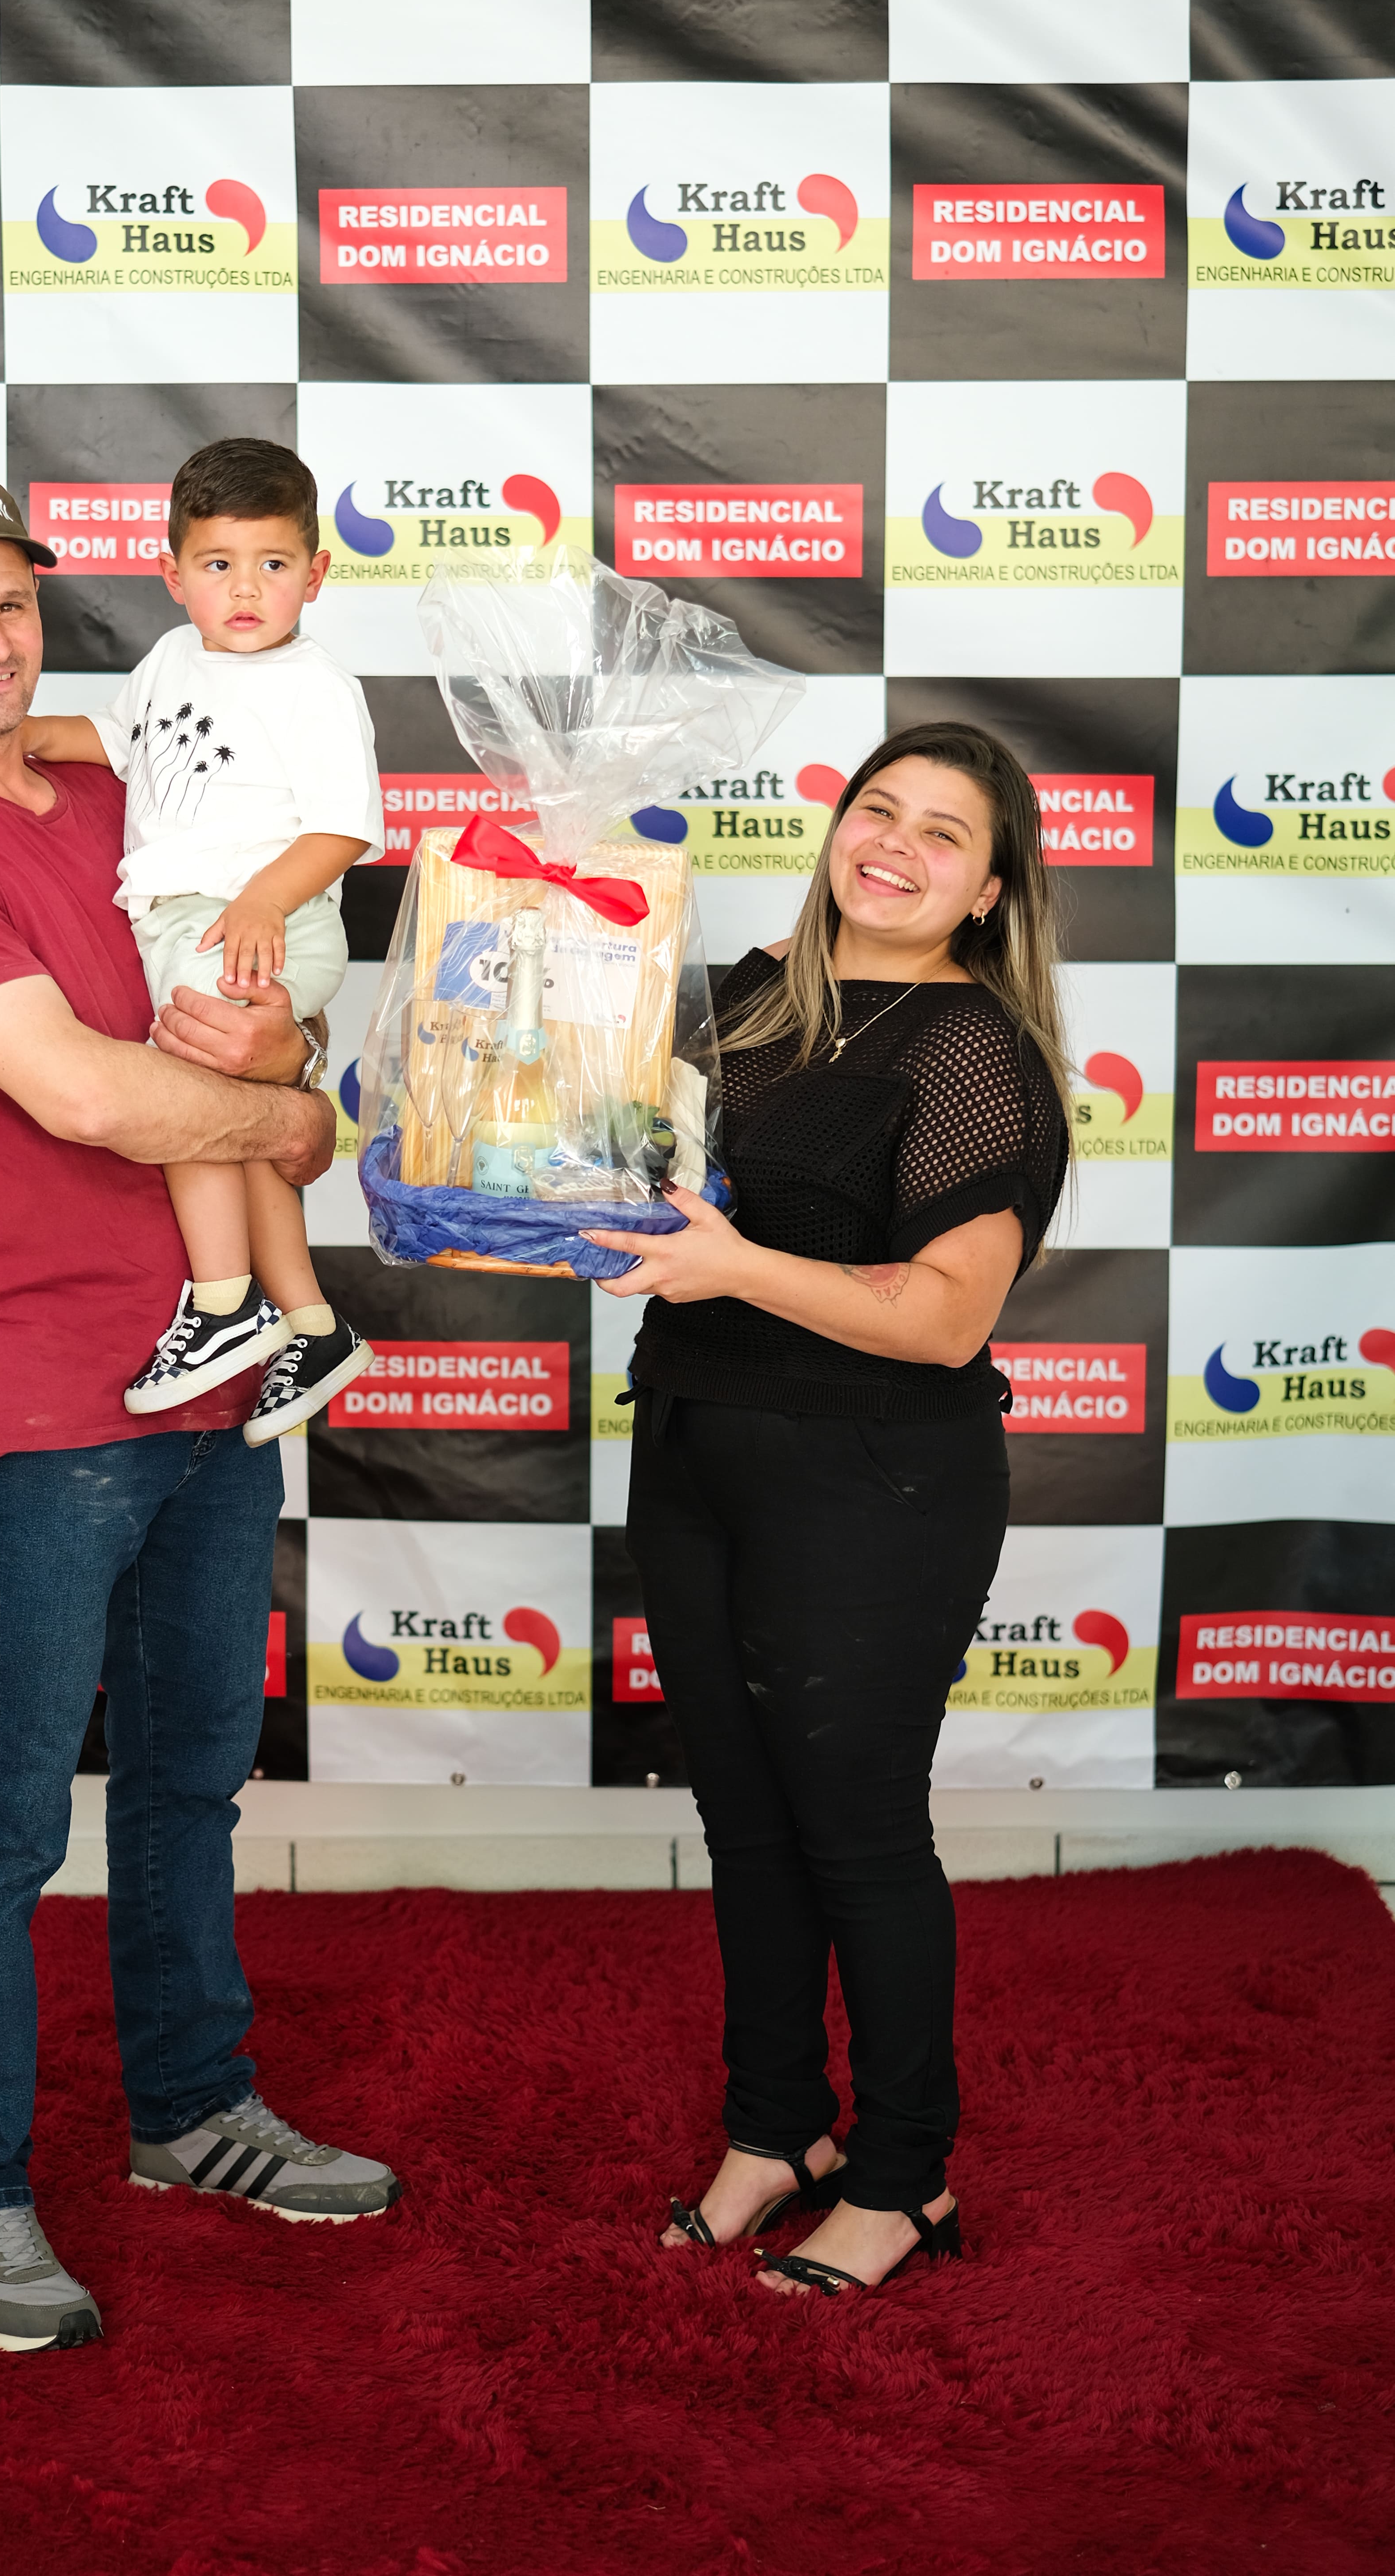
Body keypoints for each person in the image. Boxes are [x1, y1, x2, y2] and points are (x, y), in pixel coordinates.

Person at [0, 465, 401, 2358]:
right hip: (34, 1405)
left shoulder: (123, 787)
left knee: (186, 1784)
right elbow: (91, 1094)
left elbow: (264, 1014)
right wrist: (292, 1117)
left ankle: (189, 2109)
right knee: (2, 1824)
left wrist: (294, 1058)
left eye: (12, 602)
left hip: (206, 1382)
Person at [585, 725, 1070, 2303]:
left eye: (943, 834)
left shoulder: (970, 1050)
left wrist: (736, 1265)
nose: (894, 846)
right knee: (744, 1822)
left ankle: (905, 2176)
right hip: (693, 1448)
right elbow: (616, 1172)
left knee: (856, 1834)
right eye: (877, 810)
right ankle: (775, 2129)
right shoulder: (740, 1002)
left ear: (987, 891)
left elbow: (943, 1317)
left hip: (873, 1480)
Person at [21, 437, 380, 1444]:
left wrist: (264, 901)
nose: (247, 589)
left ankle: (223, 1305)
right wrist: (30, 736)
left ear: (317, 573)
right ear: (174, 575)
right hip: (195, 919)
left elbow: (345, 826)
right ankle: (312, 1325)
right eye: (219, 564)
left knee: (185, 1101)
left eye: (274, 564)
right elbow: (120, 741)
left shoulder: (315, 684)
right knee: (244, 1124)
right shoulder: (173, 659)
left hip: (260, 920)